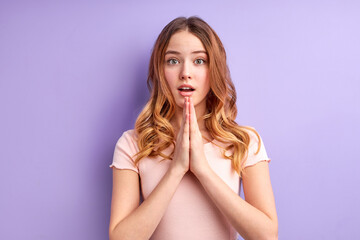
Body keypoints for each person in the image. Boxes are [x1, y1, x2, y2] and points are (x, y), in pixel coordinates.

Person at [108, 16, 278, 240]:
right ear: (160, 71)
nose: (185, 73)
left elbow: (267, 236)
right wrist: (176, 169)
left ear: (214, 68)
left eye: (199, 61)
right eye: (173, 61)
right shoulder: (133, 144)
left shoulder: (245, 142)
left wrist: (203, 170)